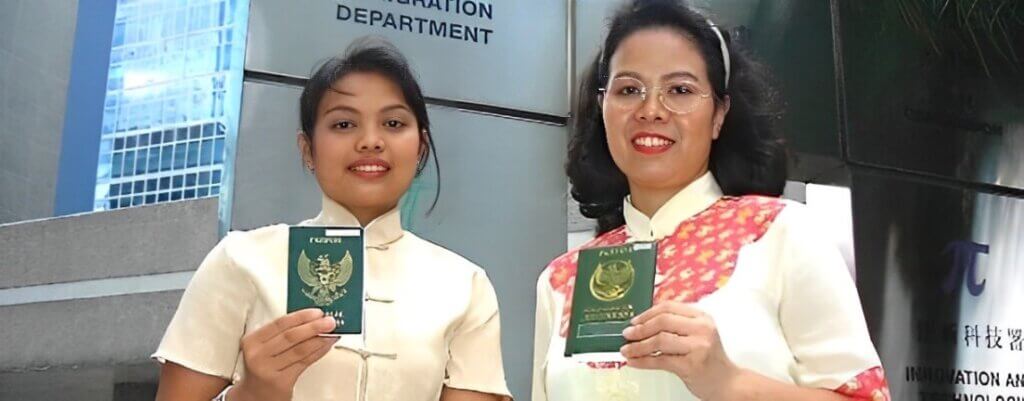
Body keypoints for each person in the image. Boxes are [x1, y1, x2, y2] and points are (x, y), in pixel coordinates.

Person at [532, 1, 890, 400]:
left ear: (719, 114)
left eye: (680, 90)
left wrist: (729, 382)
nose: (651, 110)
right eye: (629, 90)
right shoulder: (562, 278)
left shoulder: (783, 234)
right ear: (603, 108)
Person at [154, 37, 511, 401]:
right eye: (343, 124)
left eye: (392, 122)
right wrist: (253, 393)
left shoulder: (465, 285)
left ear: (419, 147)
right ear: (308, 149)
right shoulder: (241, 259)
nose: (371, 141)